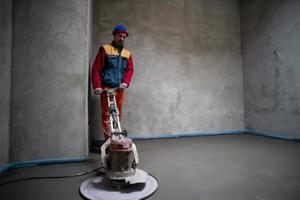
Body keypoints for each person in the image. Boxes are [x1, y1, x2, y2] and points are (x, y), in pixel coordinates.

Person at [91, 24, 134, 141]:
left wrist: (126, 82)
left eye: (124, 37)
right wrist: (97, 86)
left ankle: (117, 139)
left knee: (117, 115)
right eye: (120, 36)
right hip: (107, 88)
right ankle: (109, 142)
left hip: (119, 89)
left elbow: (130, 70)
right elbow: (96, 69)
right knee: (107, 116)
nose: (122, 39)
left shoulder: (127, 54)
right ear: (114, 35)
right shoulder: (105, 49)